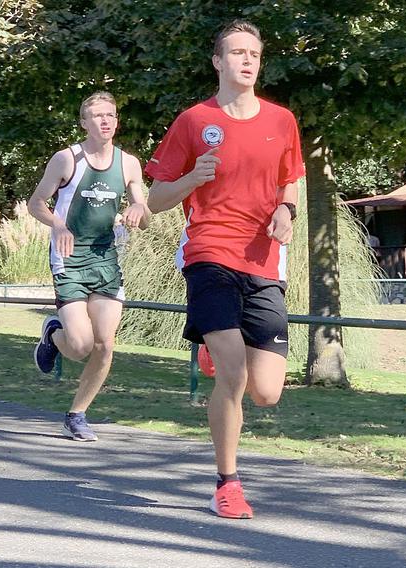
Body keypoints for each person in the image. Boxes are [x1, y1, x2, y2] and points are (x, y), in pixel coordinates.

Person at [145, 20, 304, 519]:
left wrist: (288, 210)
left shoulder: (282, 120)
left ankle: (219, 354)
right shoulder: (193, 121)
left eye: (254, 53)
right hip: (210, 253)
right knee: (233, 378)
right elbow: (155, 199)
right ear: (218, 61)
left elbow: (291, 180)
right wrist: (192, 177)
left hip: (264, 262)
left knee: (267, 392)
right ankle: (227, 482)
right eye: (236, 52)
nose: (247, 60)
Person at [28, 91, 150, 442]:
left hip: (105, 259)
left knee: (105, 345)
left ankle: (77, 414)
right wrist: (58, 224)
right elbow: (36, 203)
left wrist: (138, 211)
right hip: (69, 258)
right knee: (80, 346)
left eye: (110, 115)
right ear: (84, 122)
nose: (105, 121)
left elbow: (143, 210)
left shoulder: (128, 163)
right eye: (97, 116)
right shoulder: (67, 159)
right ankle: (53, 333)